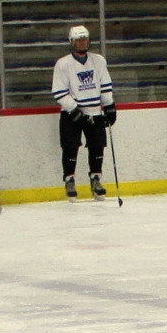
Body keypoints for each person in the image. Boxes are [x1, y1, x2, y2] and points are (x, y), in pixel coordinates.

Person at [49, 25, 114, 201]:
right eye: (78, 40)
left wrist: (109, 106)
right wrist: (74, 111)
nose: (82, 42)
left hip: (95, 112)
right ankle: (69, 179)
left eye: (84, 39)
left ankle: (95, 179)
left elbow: (105, 85)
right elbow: (59, 92)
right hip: (71, 115)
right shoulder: (63, 64)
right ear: (72, 42)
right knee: (70, 147)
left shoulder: (98, 61)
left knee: (97, 146)